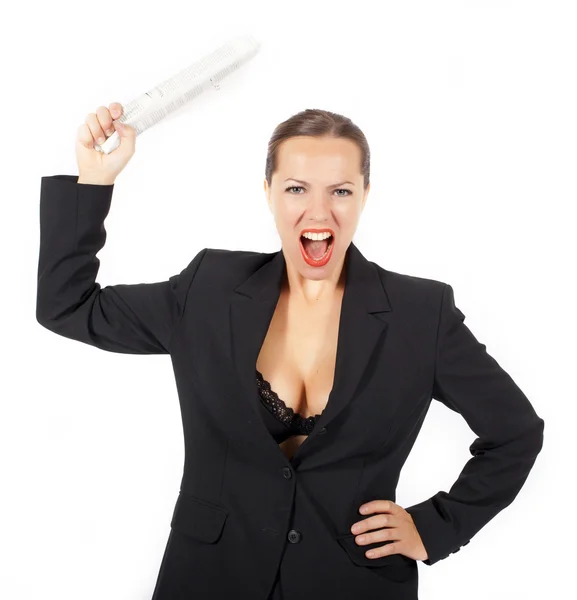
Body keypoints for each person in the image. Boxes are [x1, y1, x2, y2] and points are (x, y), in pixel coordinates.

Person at [36, 103, 545, 600]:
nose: (318, 212)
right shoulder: (208, 290)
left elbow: (516, 432)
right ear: (269, 193)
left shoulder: (420, 313)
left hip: (354, 581)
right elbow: (68, 306)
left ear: (365, 195)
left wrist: (434, 529)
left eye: (341, 190)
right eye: (297, 188)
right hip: (210, 576)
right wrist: (95, 182)